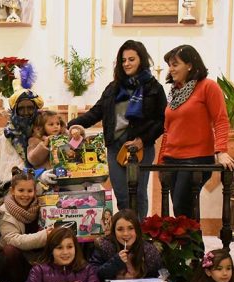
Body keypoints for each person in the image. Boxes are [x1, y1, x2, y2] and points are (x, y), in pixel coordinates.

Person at [68, 40, 165, 217]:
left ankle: (139, 232)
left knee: (138, 193)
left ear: (141, 60)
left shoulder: (154, 88)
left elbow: (161, 121)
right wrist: (72, 125)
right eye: (123, 60)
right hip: (115, 147)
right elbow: (96, 112)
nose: (126, 63)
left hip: (139, 148)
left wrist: (142, 140)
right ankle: (126, 231)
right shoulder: (113, 88)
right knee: (121, 193)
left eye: (131, 59)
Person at [159, 44, 234, 217]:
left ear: (190, 65)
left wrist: (221, 151)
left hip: (196, 158)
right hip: (171, 159)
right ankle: (190, 244)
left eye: (175, 64)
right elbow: (168, 130)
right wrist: (161, 161)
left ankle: (193, 245)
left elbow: (221, 120)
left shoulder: (208, 87)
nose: (171, 69)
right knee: (181, 211)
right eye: (169, 65)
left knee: (182, 205)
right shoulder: (174, 93)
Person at [0, 167, 49, 282]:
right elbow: (13, 239)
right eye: (21, 190)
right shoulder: (4, 212)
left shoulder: (41, 204)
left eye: (29, 191)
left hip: (39, 254)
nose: (25, 195)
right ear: (12, 191)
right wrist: (45, 236)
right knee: (10, 250)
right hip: (18, 260)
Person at [0, 80, 56, 188]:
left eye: (30, 108)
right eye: (21, 109)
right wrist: (38, 176)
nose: (26, 112)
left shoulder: (44, 127)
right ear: (14, 110)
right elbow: (9, 172)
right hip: (18, 187)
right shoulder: (9, 136)